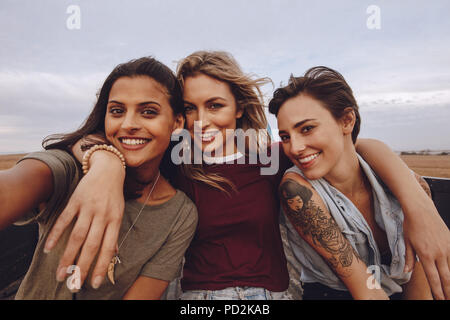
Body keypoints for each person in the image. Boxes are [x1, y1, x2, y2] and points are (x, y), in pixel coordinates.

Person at [42, 51, 449, 300]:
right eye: (190, 108)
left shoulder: (271, 160)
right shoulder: (174, 164)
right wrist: (104, 164)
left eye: (214, 105)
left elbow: (356, 144)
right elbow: (92, 141)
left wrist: (420, 206)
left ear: (238, 107)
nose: (201, 121)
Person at [0, 57, 198, 299]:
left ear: (177, 122)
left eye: (148, 112)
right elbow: (11, 188)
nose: (128, 124)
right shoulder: (72, 170)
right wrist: (106, 163)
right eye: (117, 111)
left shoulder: (180, 214)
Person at [269, 66, 434, 299]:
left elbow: (418, 272)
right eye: (285, 137)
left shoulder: (403, 184)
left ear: (346, 121)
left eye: (307, 129)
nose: (294, 148)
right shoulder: (297, 191)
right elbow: (366, 291)